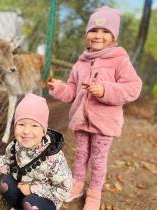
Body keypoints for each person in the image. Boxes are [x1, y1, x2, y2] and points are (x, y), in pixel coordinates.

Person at [47, 5, 142, 210]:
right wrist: (59, 88)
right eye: (93, 30)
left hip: (104, 123)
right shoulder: (81, 63)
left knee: (98, 159)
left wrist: (106, 90)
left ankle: (94, 193)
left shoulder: (119, 61)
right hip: (81, 120)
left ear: (114, 37)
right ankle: (77, 185)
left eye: (105, 31)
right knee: (81, 155)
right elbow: (72, 91)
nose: (98, 35)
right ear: (87, 34)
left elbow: (133, 88)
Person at [0, 93, 73, 210]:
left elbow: (65, 189)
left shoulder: (53, 157)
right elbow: (9, 164)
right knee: (6, 184)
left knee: (31, 204)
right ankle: (19, 206)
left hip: (47, 197)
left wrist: (32, 189)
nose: (26, 131)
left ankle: (30, 206)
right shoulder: (14, 147)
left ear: (43, 131)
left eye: (34, 126)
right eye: (21, 124)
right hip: (23, 188)